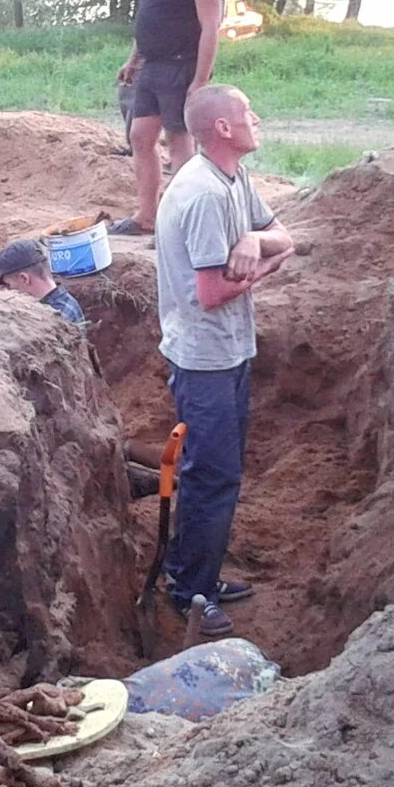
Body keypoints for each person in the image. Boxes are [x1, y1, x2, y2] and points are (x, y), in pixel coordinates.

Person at [154, 84, 294, 638]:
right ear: (223, 130)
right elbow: (211, 294)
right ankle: (188, 589)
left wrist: (258, 246)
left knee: (213, 474)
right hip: (204, 360)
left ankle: (198, 578)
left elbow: (286, 236)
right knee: (212, 477)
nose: (257, 117)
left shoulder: (231, 178)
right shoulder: (206, 196)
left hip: (228, 352)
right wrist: (266, 268)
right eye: (247, 113)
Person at [112, 0, 224, 236]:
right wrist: (134, 59)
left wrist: (200, 80)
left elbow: (211, 27)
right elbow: (149, 15)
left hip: (182, 67)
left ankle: (183, 224)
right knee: (140, 137)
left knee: (179, 142)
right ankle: (147, 216)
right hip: (151, 66)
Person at [0, 238, 87, 325]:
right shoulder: (62, 304)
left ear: (24, 279)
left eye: (9, 285)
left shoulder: (58, 317)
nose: (8, 291)